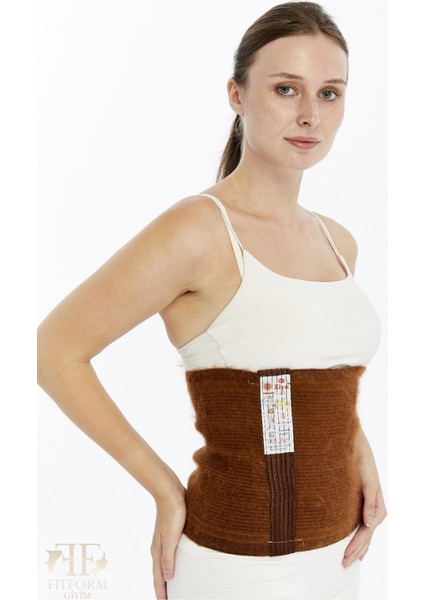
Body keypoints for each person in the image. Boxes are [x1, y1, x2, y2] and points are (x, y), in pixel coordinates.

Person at [37, 2, 387, 599]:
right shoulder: (200, 230)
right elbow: (53, 351)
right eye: (286, 88)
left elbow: (318, 377)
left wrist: (360, 451)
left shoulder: (338, 241)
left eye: (330, 93)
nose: (310, 114)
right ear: (236, 94)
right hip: (237, 568)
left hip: (341, 557)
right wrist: (163, 489)